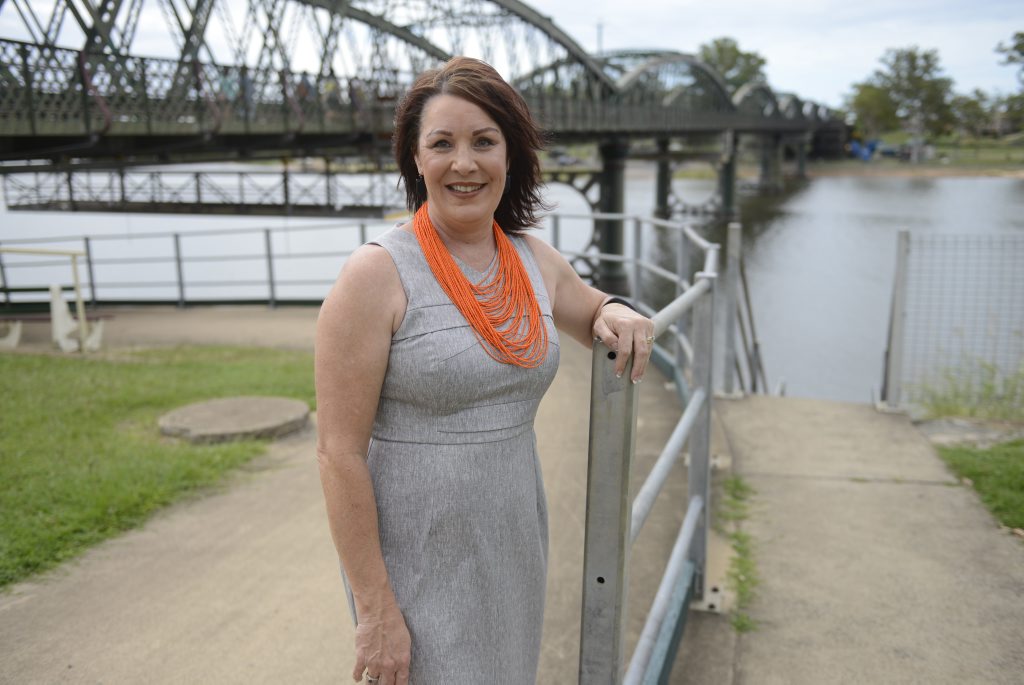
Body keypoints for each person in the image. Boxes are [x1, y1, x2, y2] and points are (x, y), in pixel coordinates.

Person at [315, 56, 655, 684]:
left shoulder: (530, 258)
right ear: (415, 160)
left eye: (484, 141)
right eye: (441, 143)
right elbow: (338, 454)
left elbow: (592, 311)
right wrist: (375, 609)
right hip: (417, 556)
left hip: (511, 540)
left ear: (511, 154)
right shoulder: (374, 275)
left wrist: (617, 311)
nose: (464, 163)